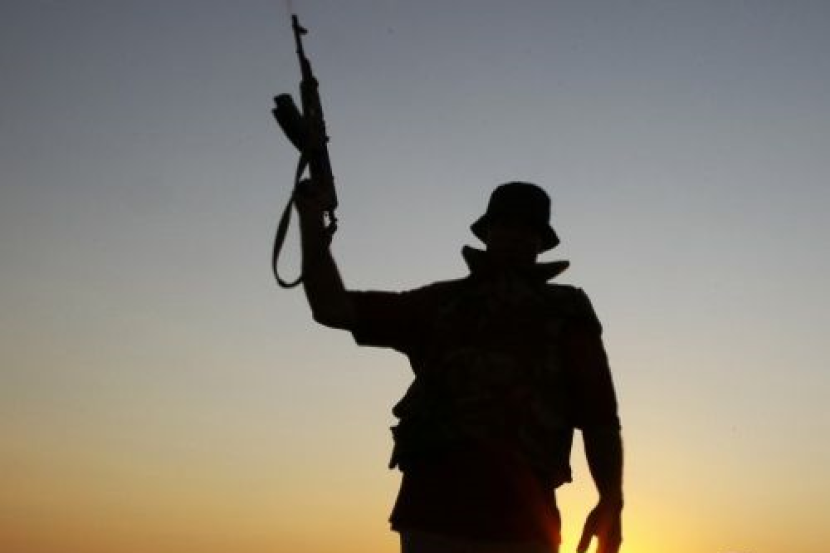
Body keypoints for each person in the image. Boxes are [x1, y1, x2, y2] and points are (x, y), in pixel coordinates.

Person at [295, 181, 623, 553]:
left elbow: (599, 416)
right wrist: (310, 219)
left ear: (540, 242)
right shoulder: (439, 303)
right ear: (487, 234)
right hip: (433, 517)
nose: (515, 236)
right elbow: (332, 307)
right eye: (505, 225)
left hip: (524, 526)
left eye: (527, 229)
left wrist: (611, 499)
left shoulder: (568, 312)